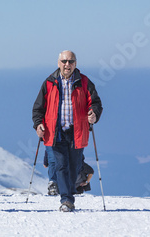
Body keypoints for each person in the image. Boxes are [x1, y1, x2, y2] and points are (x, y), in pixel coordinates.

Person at [32, 50, 103, 212]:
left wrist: (94, 114)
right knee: (61, 165)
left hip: (77, 131)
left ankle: (69, 192)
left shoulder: (84, 82)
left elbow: (96, 103)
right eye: (64, 61)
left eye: (71, 61)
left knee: (75, 166)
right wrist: (38, 124)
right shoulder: (50, 82)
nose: (67, 65)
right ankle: (66, 200)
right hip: (56, 131)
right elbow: (38, 108)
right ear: (58, 63)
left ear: (75, 64)